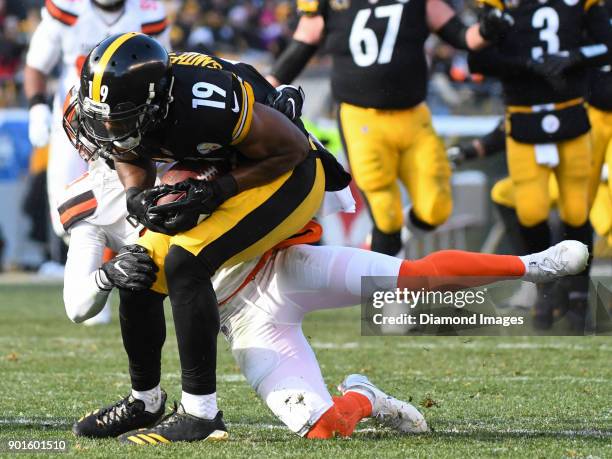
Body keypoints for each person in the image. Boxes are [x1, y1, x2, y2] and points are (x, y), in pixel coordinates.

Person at [60, 158, 589, 444]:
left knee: (417, 277)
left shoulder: (189, 132)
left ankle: (533, 265)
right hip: (240, 317)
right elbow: (78, 306)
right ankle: (365, 396)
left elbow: (283, 158)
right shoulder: (86, 199)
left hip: (283, 266)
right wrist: (108, 274)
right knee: (325, 429)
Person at [63, 33, 352, 442]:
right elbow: (130, 153)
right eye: (104, 117)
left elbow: (289, 150)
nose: (108, 127)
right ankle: (144, 400)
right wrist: (136, 198)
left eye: (119, 117)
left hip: (288, 171)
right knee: (138, 267)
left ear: (155, 98)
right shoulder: (126, 102)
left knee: (185, 262)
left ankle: (201, 414)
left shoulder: (204, 100)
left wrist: (217, 190)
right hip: (224, 164)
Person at [266, 0, 513, 255]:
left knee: (435, 208)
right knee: (385, 214)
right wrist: (261, 85)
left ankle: (393, 241)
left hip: (413, 116)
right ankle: (382, 288)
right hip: (362, 118)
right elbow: (302, 44)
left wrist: (488, 27)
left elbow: (464, 37)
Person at [468, 0, 612, 328]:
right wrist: (527, 65)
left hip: (572, 114)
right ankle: (545, 289)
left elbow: (607, 46)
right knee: (531, 211)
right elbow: (478, 58)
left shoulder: (581, 5)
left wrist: (574, 57)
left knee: (577, 212)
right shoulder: (499, 5)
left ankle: (578, 299)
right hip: (523, 118)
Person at [24, 0, 169, 323]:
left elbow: (165, 67)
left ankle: (124, 266)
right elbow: (36, 64)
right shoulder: (68, 7)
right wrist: (36, 106)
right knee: (68, 206)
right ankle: (99, 272)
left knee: (138, 198)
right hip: (78, 113)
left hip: (133, 120)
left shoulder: (148, 10)